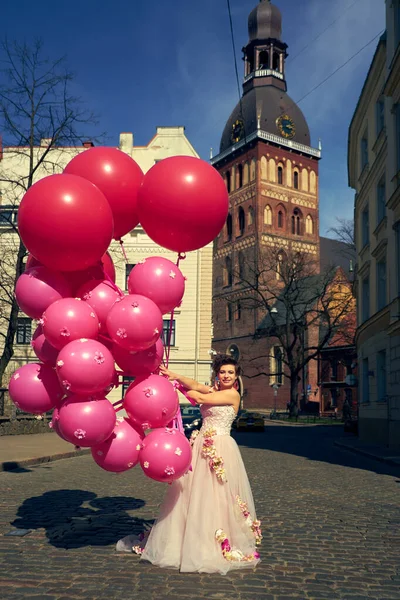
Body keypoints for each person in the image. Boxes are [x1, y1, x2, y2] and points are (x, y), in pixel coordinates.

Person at [116, 354, 261, 574]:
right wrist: (173, 376)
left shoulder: (232, 395)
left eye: (231, 372)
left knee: (217, 494)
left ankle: (213, 539)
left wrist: (178, 390)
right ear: (217, 374)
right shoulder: (216, 390)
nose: (226, 375)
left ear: (236, 375)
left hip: (220, 448)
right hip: (201, 445)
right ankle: (186, 537)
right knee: (192, 493)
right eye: (223, 372)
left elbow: (199, 397)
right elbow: (194, 385)